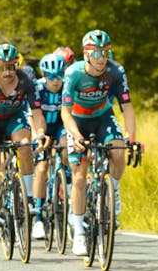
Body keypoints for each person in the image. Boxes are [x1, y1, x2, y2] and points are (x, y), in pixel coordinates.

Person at [61, 30, 142, 256]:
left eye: (104, 53)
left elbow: (127, 107)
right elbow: (65, 112)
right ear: (86, 54)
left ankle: (112, 190)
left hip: (103, 117)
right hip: (77, 120)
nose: (101, 58)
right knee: (79, 177)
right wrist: (76, 137)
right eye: (96, 53)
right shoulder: (73, 73)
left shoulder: (116, 71)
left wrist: (131, 137)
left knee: (118, 151)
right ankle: (78, 232)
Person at [0, 43, 45, 241]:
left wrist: (39, 134)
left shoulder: (27, 80)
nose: (7, 72)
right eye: (3, 67)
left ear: (17, 65)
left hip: (15, 119)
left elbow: (37, 114)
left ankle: (29, 197)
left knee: (25, 144)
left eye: (11, 66)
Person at [31, 53, 69, 239]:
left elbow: (72, 115)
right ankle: (38, 217)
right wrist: (39, 136)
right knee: (42, 167)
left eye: (59, 75)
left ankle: (66, 185)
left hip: (61, 125)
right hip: (41, 125)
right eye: (51, 76)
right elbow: (36, 115)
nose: (56, 80)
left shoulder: (68, 87)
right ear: (44, 75)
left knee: (68, 148)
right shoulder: (37, 88)